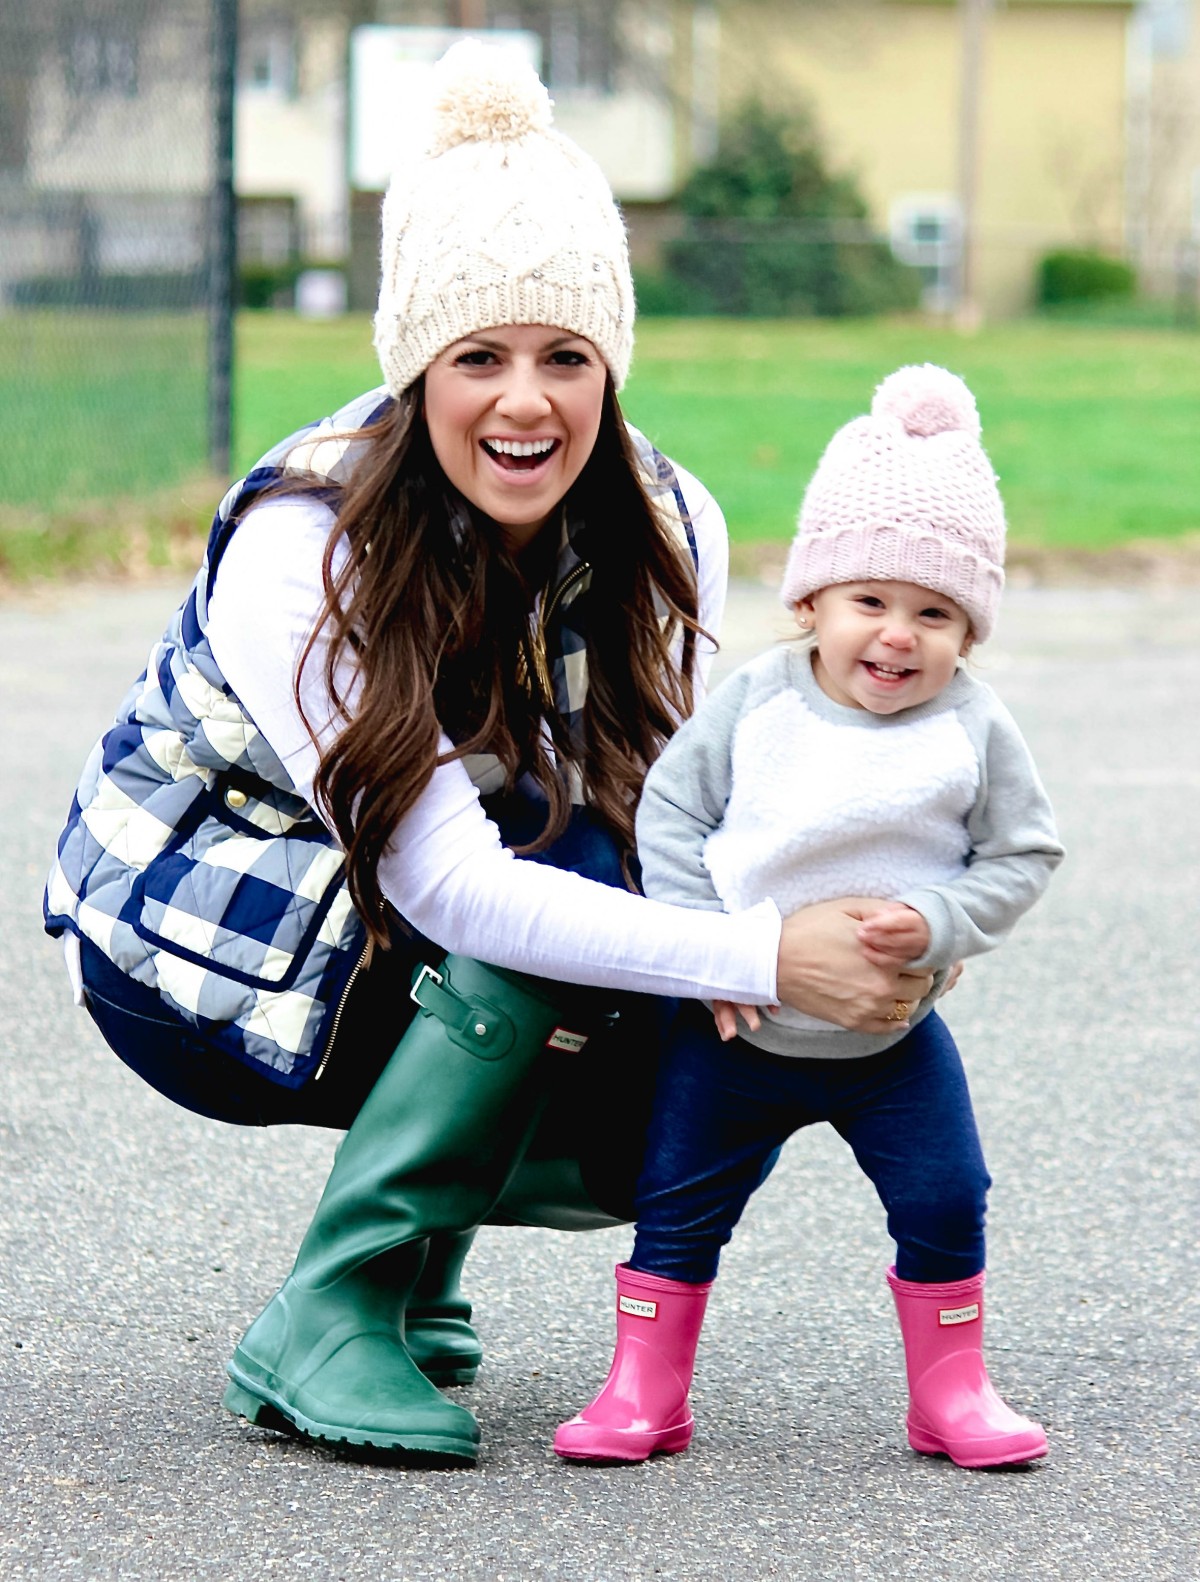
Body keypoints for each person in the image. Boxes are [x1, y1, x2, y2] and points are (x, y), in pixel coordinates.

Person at [43, 43, 934, 1465]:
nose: (527, 402)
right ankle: (327, 1307)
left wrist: (871, 928)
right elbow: (457, 888)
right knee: (556, 902)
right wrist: (764, 955)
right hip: (200, 940)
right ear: (417, 365)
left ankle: (413, 1269)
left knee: (685, 1050)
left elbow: (691, 812)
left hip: (408, 921)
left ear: (611, 366)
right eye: (480, 357)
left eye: (566, 355)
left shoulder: (666, 519)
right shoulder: (305, 541)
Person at [555, 364, 1065, 1471]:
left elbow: (1024, 852)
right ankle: (645, 1388)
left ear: (967, 634)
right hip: (735, 1029)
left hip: (889, 1040)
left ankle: (952, 1392)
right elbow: (671, 815)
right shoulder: (758, 702)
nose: (897, 636)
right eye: (871, 601)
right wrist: (708, 952)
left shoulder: (973, 728)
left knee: (947, 1192)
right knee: (679, 1204)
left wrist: (940, 918)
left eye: (935, 613)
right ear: (811, 603)